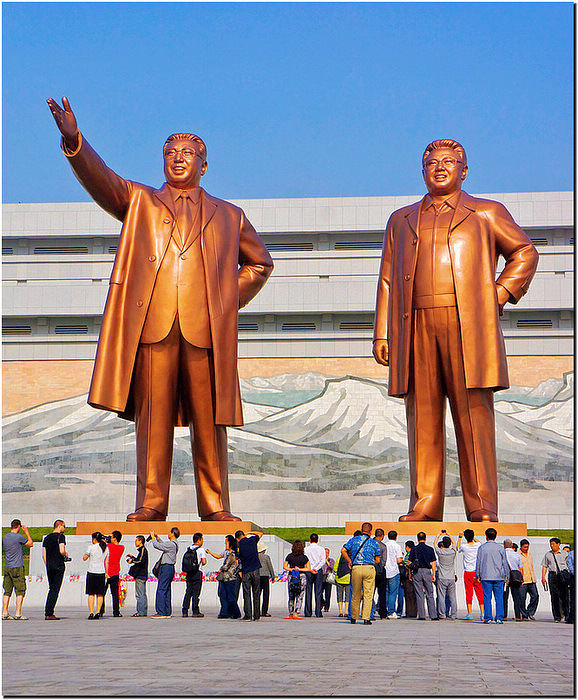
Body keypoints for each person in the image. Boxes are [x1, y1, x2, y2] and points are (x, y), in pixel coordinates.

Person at [47, 97, 273, 523]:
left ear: (204, 165)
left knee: (210, 423)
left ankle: (215, 504)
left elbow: (260, 263)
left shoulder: (229, 215)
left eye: (188, 154)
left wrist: (224, 299)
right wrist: (74, 140)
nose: (178, 159)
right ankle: (152, 502)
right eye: (170, 153)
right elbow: (104, 182)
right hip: (154, 326)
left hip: (204, 330)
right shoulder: (140, 202)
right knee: (153, 421)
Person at [373, 139, 539, 523]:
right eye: (432, 162)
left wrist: (497, 294)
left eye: (450, 162)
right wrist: (382, 332)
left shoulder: (485, 212)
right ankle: (425, 503)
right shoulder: (402, 219)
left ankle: (482, 504)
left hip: (468, 324)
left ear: (464, 170)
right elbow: (386, 280)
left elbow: (525, 253)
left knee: (473, 416)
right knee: (423, 417)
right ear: (423, 170)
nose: (440, 167)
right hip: (416, 323)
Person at [341, 522, 381, 625]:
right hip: (369, 568)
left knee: (355, 593)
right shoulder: (374, 542)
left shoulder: (354, 540)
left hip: (356, 568)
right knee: (368, 594)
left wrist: (350, 561)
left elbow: (343, 550)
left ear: (361, 529)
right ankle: (366, 618)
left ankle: (354, 617)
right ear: (371, 531)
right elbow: (377, 559)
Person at [475, 527, 509, 624]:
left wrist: (478, 575)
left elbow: (479, 562)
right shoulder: (500, 548)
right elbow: (504, 563)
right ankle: (499, 617)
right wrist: (507, 575)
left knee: (487, 597)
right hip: (499, 576)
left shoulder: (482, 548)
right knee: (499, 597)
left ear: (486, 536)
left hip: (486, 576)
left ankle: (488, 617)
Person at [2, 519, 33, 620]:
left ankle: (4, 612)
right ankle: (18, 613)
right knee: (20, 590)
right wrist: (26, 532)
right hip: (17, 566)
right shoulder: (18, 537)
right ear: (19, 526)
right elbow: (30, 543)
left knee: (7, 590)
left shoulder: (6, 537)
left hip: (7, 566)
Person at [42, 519, 69, 621]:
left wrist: (48, 564)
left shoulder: (47, 538)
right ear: (59, 526)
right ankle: (49, 613)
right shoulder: (60, 537)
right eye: (64, 526)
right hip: (58, 565)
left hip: (49, 566)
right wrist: (66, 554)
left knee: (51, 588)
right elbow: (62, 550)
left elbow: (43, 554)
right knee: (55, 589)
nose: (65, 528)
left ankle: (48, 611)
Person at [150, 528, 180, 618]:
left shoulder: (171, 544)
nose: (168, 534)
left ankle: (161, 612)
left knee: (161, 589)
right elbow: (163, 544)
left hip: (166, 567)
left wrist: (153, 538)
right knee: (166, 590)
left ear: (172, 534)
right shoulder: (174, 544)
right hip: (170, 568)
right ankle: (167, 611)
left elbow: (158, 546)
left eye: (169, 532)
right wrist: (157, 537)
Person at [409, 532, 438, 620]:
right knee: (430, 593)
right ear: (425, 539)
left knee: (419, 594)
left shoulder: (414, 549)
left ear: (417, 539)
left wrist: (410, 574)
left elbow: (410, 562)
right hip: (426, 571)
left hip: (417, 572)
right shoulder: (430, 549)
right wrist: (433, 574)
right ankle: (433, 615)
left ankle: (421, 615)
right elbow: (433, 563)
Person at [235, 529, 263, 621]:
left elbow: (237, 558)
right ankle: (257, 616)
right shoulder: (252, 540)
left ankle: (248, 615)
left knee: (246, 593)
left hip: (246, 570)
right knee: (256, 594)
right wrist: (249, 533)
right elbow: (260, 533)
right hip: (255, 570)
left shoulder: (238, 545)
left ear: (237, 539)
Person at [456, 529, 484, 620]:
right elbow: (479, 542)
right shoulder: (477, 545)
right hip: (477, 572)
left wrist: (460, 537)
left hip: (468, 572)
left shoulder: (464, 546)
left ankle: (469, 613)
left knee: (469, 593)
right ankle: (482, 613)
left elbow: (457, 548)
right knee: (480, 592)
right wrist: (472, 537)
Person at [541, 537, 569, 622]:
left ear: (558, 544)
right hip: (552, 576)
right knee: (554, 596)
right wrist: (543, 577)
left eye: (553, 544)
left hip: (563, 576)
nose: (552, 546)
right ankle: (557, 616)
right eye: (551, 544)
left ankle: (566, 614)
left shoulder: (564, 554)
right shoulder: (548, 554)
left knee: (564, 596)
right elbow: (544, 566)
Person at [82, 532, 108, 620]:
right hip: (101, 572)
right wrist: (106, 572)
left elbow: (84, 558)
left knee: (91, 594)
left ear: (94, 539)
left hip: (92, 571)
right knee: (100, 594)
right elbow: (106, 562)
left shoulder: (91, 547)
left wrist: (87, 555)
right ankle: (98, 612)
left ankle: (91, 612)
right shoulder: (105, 548)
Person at [283, 540, 312, 620]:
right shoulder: (304, 557)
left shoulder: (289, 556)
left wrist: (292, 569)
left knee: (291, 595)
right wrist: (300, 569)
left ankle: (290, 613)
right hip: (301, 576)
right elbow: (309, 568)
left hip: (291, 576)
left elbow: (285, 566)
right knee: (300, 595)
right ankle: (296, 613)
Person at [182, 532, 207, 618]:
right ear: (199, 540)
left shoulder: (189, 549)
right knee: (196, 592)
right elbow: (204, 562)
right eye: (202, 539)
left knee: (188, 591)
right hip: (197, 572)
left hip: (189, 573)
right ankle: (195, 611)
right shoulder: (201, 550)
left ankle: (185, 610)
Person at [434, 533, 458, 620]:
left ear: (443, 544)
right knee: (452, 597)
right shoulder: (452, 552)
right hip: (451, 577)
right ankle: (454, 614)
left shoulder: (440, 552)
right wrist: (450, 535)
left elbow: (435, 544)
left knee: (441, 596)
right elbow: (455, 544)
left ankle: (442, 614)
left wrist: (438, 535)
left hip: (442, 576)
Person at [217, 535, 241, 619]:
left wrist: (221, 568)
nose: (225, 543)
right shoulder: (230, 554)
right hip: (227, 578)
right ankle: (225, 612)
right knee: (224, 595)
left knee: (230, 597)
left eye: (226, 542)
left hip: (229, 578)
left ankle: (235, 612)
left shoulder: (231, 555)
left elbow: (225, 566)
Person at [102, 530, 124, 617]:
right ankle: (116, 612)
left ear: (114, 539)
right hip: (116, 573)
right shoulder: (122, 547)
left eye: (111, 537)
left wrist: (103, 541)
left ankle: (100, 611)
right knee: (115, 594)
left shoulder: (108, 546)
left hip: (106, 573)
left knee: (102, 593)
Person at [503, 538, 525, 621]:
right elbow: (521, 568)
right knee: (516, 598)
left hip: (505, 577)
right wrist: (521, 579)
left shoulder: (502, 553)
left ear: (504, 545)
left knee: (505, 597)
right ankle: (518, 616)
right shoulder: (517, 554)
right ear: (511, 545)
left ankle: (504, 615)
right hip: (515, 577)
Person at [126, 535, 149, 617]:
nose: (135, 542)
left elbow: (141, 561)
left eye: (136, 541)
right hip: (141, 575)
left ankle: (141, 612)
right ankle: (142, 611)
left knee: (140, 594)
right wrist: (133, 557)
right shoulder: (141, 551)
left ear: (140, 541)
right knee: (142, 594)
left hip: (141, 575)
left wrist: (132, 560)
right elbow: (139, 560)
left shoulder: (143, 550)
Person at [304, 533, 326, 618]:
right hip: (318, 571)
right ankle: (318, 612)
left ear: (310, 540)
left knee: (308, 591)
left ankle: (308, 612)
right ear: (317, 540)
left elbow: (305, 560)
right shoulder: (321, 549)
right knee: (318, 592)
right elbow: (323, 561)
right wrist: (316, 568)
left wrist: (311, 568)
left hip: (308, 570)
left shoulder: (306, 549)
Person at [384, 530, 404, 619]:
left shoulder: (385, 545)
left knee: (387, 592)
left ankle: (387, 609)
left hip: (385, 570)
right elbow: (399, 560)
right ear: (396, 537)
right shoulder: (397, 546)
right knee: (393, 592)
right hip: (394, 571)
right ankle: (391, 611)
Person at [519, 539, 538, 621]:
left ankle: (530, 612)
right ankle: (524, 614)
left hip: (531, 580)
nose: (526, 548)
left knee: (535, 596)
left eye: (527, 547)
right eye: (525, 547)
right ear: (521, 547)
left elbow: (532, 566)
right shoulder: (518, 555)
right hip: (523, 580)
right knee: (522, 598)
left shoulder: (529, 554)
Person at [257, 542, 275, 617]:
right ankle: (264, 611)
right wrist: (273, 576)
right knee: (266, 594)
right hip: (265, 576)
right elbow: (270, 567)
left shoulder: (255, 556)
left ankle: (256, 610)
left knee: (257, 594)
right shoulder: (266, 557)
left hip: (257, 576)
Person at [373, 529, 388, 619]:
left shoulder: (370, 544)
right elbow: (384, 560)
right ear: (382, 536)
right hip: (381, 571)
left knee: (370, 592)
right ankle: (383, 613)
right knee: (382, 593)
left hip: (371, 569)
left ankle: (370, 611)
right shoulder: (383, 546)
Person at [401, 540, 417, 618]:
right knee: (414, 595)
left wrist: (403, 563)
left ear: (407, 547)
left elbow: (408, 564)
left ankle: (409, 612)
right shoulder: (416, 553)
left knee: (408, 595)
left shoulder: (408, 554)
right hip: (416, 575)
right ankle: (414, 612)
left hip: (409, 576)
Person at [321, 548, 335, 613]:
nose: (326, 554)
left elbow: (333, 568)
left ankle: (327, 607)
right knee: (320, 592)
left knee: (328, 593)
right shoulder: (320, 560)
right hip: (321, 576)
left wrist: (327, 562)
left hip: (328, 576)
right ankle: (322, 602)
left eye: (327, 553)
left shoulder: (331, 560)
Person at [566, 549, 574, 624]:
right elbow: (569, 564)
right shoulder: (571, 553)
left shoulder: (571, 553)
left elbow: (570, 565)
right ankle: (572, 617)